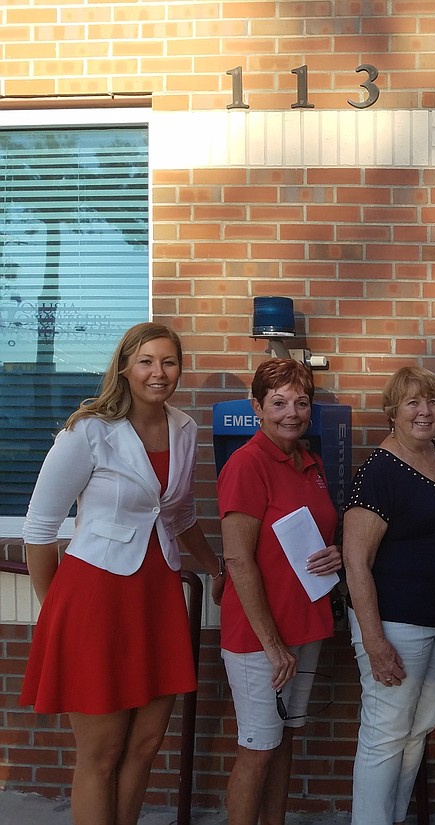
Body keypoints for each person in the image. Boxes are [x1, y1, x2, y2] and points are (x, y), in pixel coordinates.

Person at [20, 322, 222, 825]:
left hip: (157, 600)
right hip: (96, 600)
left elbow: (177, 515)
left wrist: (218, 566)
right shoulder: (88, 430)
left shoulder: (185, 428)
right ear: (126, 367)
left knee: (146, 746)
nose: (159, 372)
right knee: (102, 754)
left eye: (169, 361)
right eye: (147, 361)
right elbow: (40, 528)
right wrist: (55, 613)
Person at [217, 358, 343, 825]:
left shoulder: (310, 462)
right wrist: (272, 645)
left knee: (283, 740)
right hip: (260, 639)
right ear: (257, 407)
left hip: (303, 626)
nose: (291, 412)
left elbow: (318, 533)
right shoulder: (247, 464)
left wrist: (337, 554)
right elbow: (238, 559)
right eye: (278, 403)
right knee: (258, 748)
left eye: (301, 402)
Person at [343, 366, 435, 825]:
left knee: (418, 730)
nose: (424, 411)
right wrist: (375, 642)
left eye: (432, 401)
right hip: (395, 625)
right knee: (385, 734)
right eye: (413, 402)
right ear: (392, 412)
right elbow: (356, 561)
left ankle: (393, 818)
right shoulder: (379, 471)